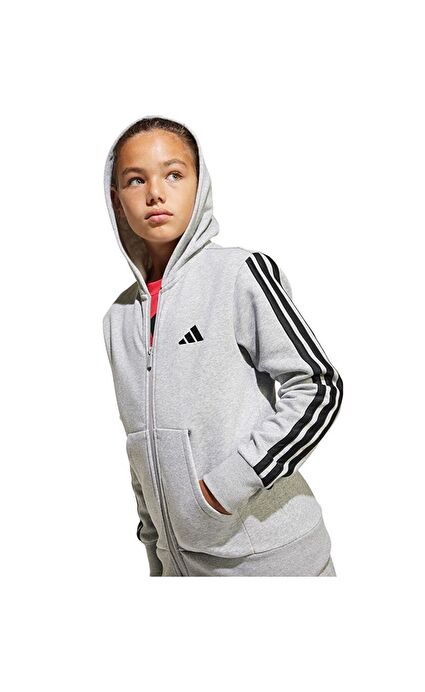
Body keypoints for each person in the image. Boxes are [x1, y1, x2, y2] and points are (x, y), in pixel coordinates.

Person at [102, 114, 344, 577]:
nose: (155, 193)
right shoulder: (118, 318)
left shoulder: (239, 274)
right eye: (136, 180)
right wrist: (156, 552)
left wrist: (227, 486)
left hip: (274, 562)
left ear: (200, 184)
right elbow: (140, 444)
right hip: (181, 567)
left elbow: (320, 387)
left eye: (174, 174)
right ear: (117, 199)